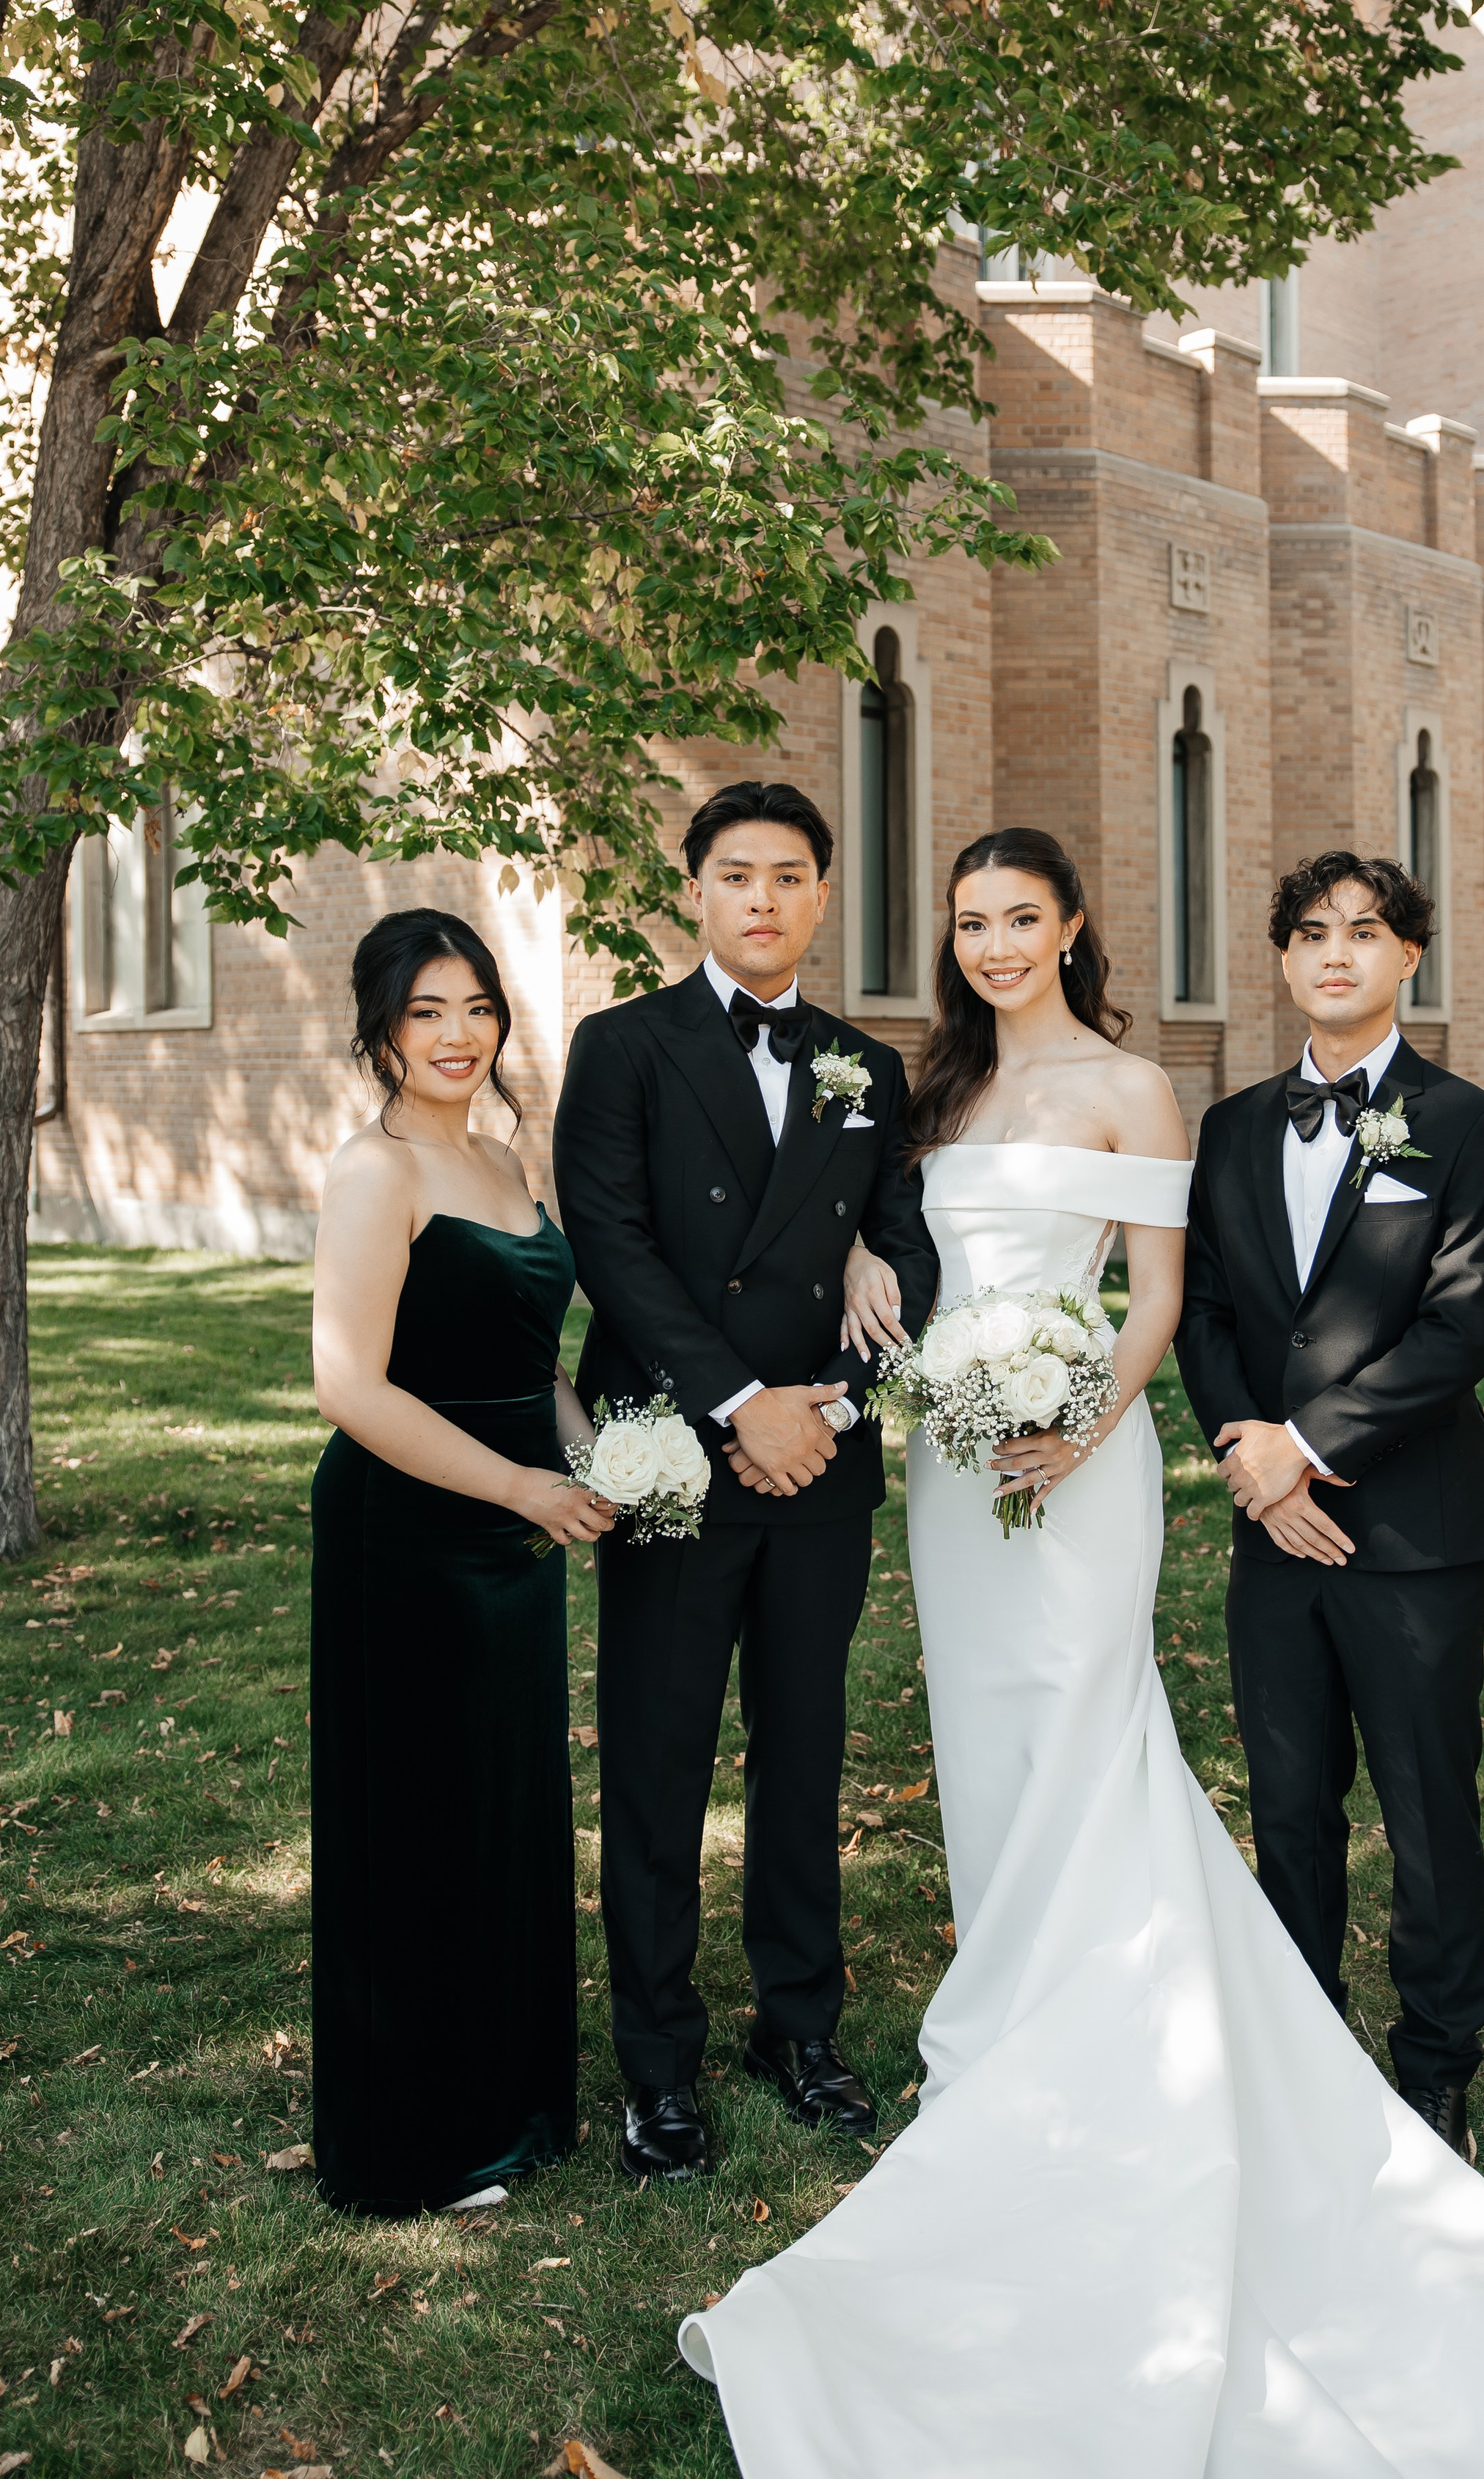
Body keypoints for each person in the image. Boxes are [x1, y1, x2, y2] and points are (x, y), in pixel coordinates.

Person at [675, 829, 1484, 2479]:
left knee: (1126, 1742)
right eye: (970, 920)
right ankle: (1012, 2023)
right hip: (953, 1465)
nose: (994, 943)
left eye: (1021, 917)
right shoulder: (932, 1092)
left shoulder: (1147, 1091)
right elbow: (903, 1237)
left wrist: (1105, 1430)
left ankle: (1344, 2065)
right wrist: (877, 1255)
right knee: (1002, 1750)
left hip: (1090, 1460)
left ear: (1072, 927)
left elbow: (1167, 1301)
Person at [553, 779, 938, 2181]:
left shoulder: (866, 1066)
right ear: (696, 890)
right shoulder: (623, 1047)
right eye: (735, 875)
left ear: (822, 895)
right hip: (677, 1455)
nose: (762, 898)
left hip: (819, 1463)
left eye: (787, 876)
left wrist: (825, 1403)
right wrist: (739, 1405)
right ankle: (657, 2063)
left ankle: (799, 2024)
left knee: (804, 1754)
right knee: (659, 1763)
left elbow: (906, 1246)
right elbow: (613, 1243)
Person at [1176, 851, 1484, 2158]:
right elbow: (1204, 1312)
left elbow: (1457, 1330)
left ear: (1408, 956)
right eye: (1314, 932)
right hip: (1271, 1526)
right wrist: (1250, 1464)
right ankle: (1301, 2048)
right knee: (1288, 1803)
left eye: (1366, 932)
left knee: (1428, 1807)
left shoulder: (1470, 1124)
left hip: (1413, 1527)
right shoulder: (1230, 1128)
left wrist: (1307, 1449)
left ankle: (1438, 2063)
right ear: (1283, 957)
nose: (1338, 953)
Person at [309, 906, 611, 2218]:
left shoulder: (502, 1156)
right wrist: (519, 1486)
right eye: (426, 1011)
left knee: (503, 1812)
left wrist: (595, 1457)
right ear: (380, 1027)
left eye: (477, 1008)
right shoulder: (372, 1173)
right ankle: (416, 2138)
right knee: (420, 1822)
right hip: (409, 1533)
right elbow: (348, 1388)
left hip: (516, 1534)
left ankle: (510, 2107)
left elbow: (528, 1361)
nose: (457, 1034)